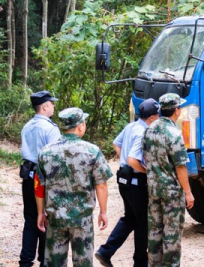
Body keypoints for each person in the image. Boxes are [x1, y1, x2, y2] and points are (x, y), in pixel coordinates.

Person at [35, 107, 113, 266]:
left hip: (55, 219)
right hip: (82, 219)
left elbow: (39, 186)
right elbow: (102, 185)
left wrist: (40, 212)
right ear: (80, 126)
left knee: (54, 263)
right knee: (83, 263)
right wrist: (103, 212)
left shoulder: (46, 152)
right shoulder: (92, 151)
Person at [95, 98, 160, 267]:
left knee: (130, 218)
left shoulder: (131, 126)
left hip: (125, 180)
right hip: (137, 182)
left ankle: (105, 251)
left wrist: (124, 160)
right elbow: (133, 159)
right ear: (152, 117)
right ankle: (140, 262)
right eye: (157, 115)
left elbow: (116, 144)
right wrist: (148, 171)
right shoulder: (143, 132)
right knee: (142, 222)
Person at [142, 93, 195, 267]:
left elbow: (145, 156)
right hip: (171, 192)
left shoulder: (149, 129)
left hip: (153, 189)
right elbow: (180, 166)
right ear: (177, 110)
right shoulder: (174, 134)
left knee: (155, 232)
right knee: (171, 234)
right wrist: (188, 192)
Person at [19, 90, 61, 267]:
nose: (53, 106)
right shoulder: (50, 129)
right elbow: (56, 157)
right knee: (46, 219)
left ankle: (26, 261)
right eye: (52, 103)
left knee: (30, 219)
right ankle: (45, 260)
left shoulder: (27, 126)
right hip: (44, 179)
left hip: (28, 176)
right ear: (45, 106)